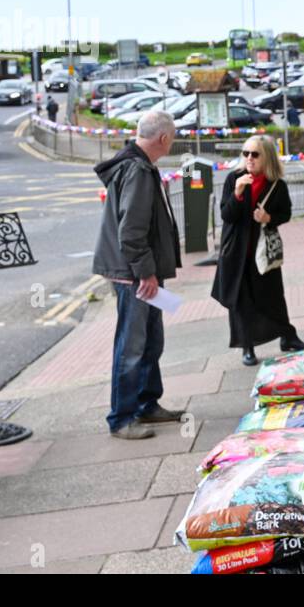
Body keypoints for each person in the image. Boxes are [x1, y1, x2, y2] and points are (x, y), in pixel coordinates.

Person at [92, 110, 184, 439]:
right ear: (163, 138)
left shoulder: (138, 165)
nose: (172, 142)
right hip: (133, 275)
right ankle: (122, 418)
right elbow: (130, 231)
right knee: (131, 347)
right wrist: (146, 273)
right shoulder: (137, 170)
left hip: (139, 273)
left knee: (150, 342)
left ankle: (147, 404)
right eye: (172, 137)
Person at [212, 133, 304, 366]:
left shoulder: (276, 184)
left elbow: (285, 213)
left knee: (273, 296)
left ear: (266, 157)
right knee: (242, 301)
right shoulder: (234, 179)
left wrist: (269, 217)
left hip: (263, 251)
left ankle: (288, 337)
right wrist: (236, 194)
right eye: (245, 153)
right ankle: (247, 347)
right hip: (237, 252)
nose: (249, 158)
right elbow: (226, 215)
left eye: (255, 154)